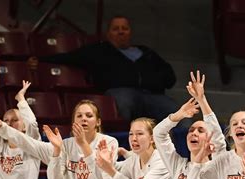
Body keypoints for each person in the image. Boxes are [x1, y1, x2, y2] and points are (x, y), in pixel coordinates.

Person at [30, 15, 177, 123]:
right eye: (116, 29)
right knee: (124, 102)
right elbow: (70, 57)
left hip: (152, 95)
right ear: (108, 34)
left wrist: (152, 82)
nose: (121, 31)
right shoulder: (99, 51)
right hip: (120, 91)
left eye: (124, 28)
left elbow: (169, 76)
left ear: (130, 32)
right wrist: (41, 60)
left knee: (178, 113)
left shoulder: (146, 52)